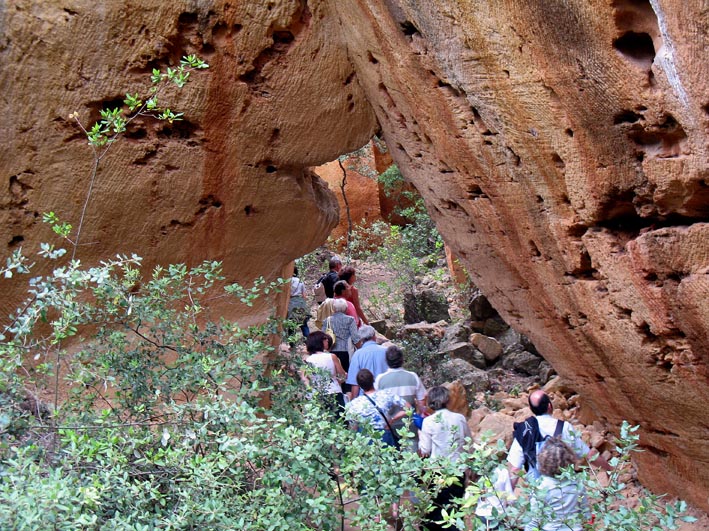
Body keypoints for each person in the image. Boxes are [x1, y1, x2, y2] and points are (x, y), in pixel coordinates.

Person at [507, 390, 610, 489]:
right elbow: (589, 455)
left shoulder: (524, 431)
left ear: (531, 409)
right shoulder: (565, 427)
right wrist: (610, 470)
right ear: (549, 406)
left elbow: (515, 469)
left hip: (539, 492)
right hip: (567, 488)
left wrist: (505, 497)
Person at [419, 386, 471, 531]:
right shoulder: (459, 418)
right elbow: (468, 443)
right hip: (457, 469)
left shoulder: (428, 422)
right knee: (455, 508)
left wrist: (419, 433)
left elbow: (425, 450)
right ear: (447, 400)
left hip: (437, 471)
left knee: (437, 508)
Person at [523, 437, 591, 531]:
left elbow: (534, 520)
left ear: (543, 460)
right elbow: (586, 515)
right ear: (570, 459)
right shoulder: (577, 483)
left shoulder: (541, 486)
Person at [374, 345, 427, 451]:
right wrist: (421, 416)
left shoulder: (380, 379)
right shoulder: (413, 376)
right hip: (409, 425)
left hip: (389, 425)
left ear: (387, 360)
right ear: (402, 359)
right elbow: (422, 403)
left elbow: (378, 402)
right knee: (411, 457)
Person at [345, 368, 411, 448]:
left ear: (359, 385)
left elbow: (354, 428)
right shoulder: (386, 395)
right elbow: (409, 407)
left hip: (365, 439)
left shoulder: (354, 404)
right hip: (385, 435)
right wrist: (392, 419)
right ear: (373, 379)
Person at [303, 331, 347, 417]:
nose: (327, 341)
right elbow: (342, 376)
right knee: (339, 420)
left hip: (316, 394)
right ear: (320, 341)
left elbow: (305, 379)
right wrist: (339, 379)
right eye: (325, 339)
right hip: (334, 391)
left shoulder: (307, 360)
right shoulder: (332, 356)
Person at [322, 299, 360, 394]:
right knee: (346, 375)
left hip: (331, 351)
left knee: (334, 375)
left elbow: (323, 336)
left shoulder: (327, 320)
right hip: (346, 351)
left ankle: (336, 394)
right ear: (345, 309)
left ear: (334, 309)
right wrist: (360, 348)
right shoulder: (350, 320)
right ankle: (347, 395)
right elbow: (355, 337)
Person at [346, 326, 389, 400]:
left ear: (361, 339)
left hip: (365, 398)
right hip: (385, 396)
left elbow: (355, 383)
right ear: (374, 336)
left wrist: (353, 402)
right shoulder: (386, 351)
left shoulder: (358, 354)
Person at [286, 266, 309, 344]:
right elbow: (304, 296)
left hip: (291, 303)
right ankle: (309, 344)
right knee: (303, 324)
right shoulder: (300, 281)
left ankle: (292, 345)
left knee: (291, 325)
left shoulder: (288, 281)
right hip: (300, 303)